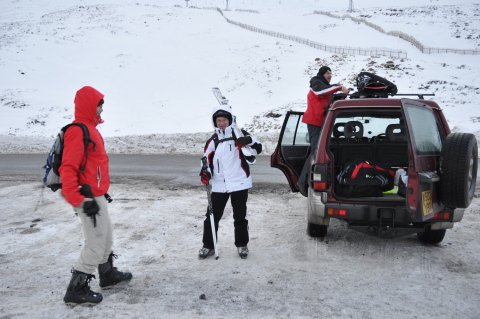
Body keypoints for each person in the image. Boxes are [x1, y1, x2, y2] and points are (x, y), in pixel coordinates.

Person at [61, 86, 132, 306]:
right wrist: (80, 200)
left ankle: (107, 274)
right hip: (86, 198)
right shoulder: (78, 130)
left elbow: (91, 166)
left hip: (96, 195)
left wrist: (101, 190)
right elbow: (68, 168)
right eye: (99, 104)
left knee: (106, 238)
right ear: (90, 105)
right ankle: (76, 288)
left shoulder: (91, 128)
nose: (102, 108)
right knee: (96, 242)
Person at [199, 105, 262, 259]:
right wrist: (206, 172)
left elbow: (257, 149)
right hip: (220, 184)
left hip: (240, 182)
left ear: (230, 120)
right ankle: (208, 245)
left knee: (240, 216)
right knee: (212, 216)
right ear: (215, 122)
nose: (222, 123)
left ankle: (242, 245)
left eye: (225, 120)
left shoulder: (239, 135)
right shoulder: (213, 140)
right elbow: (206, 159)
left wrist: (249, 140)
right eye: (219, 120)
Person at [297, 66, 351, 197]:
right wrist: (339, 87)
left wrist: (344, 93)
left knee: (319, 150)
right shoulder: (316, 83)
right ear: (322, 74)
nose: (330, 75)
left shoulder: (326, 88)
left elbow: (332, 101)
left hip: (322, 123)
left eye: (331, 73)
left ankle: (307, 179)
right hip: (315, 122)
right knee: (316, 151)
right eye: (328, 73)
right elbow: (320, 93)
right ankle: (303, 182)